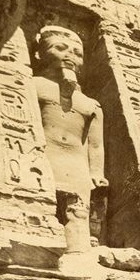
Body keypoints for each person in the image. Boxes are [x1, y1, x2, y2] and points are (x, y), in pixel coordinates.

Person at [32, 26, 106, 264]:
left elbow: (95, 145)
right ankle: (39, 251)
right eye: (60, 48)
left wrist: (97, 172)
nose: (70, 56)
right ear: (39, 55)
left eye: (77, 52)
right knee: (41, 202)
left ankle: (78, 255)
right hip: (44, 156)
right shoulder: (33, 85)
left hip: (76, 165)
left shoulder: (90, 104)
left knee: (78, 211)